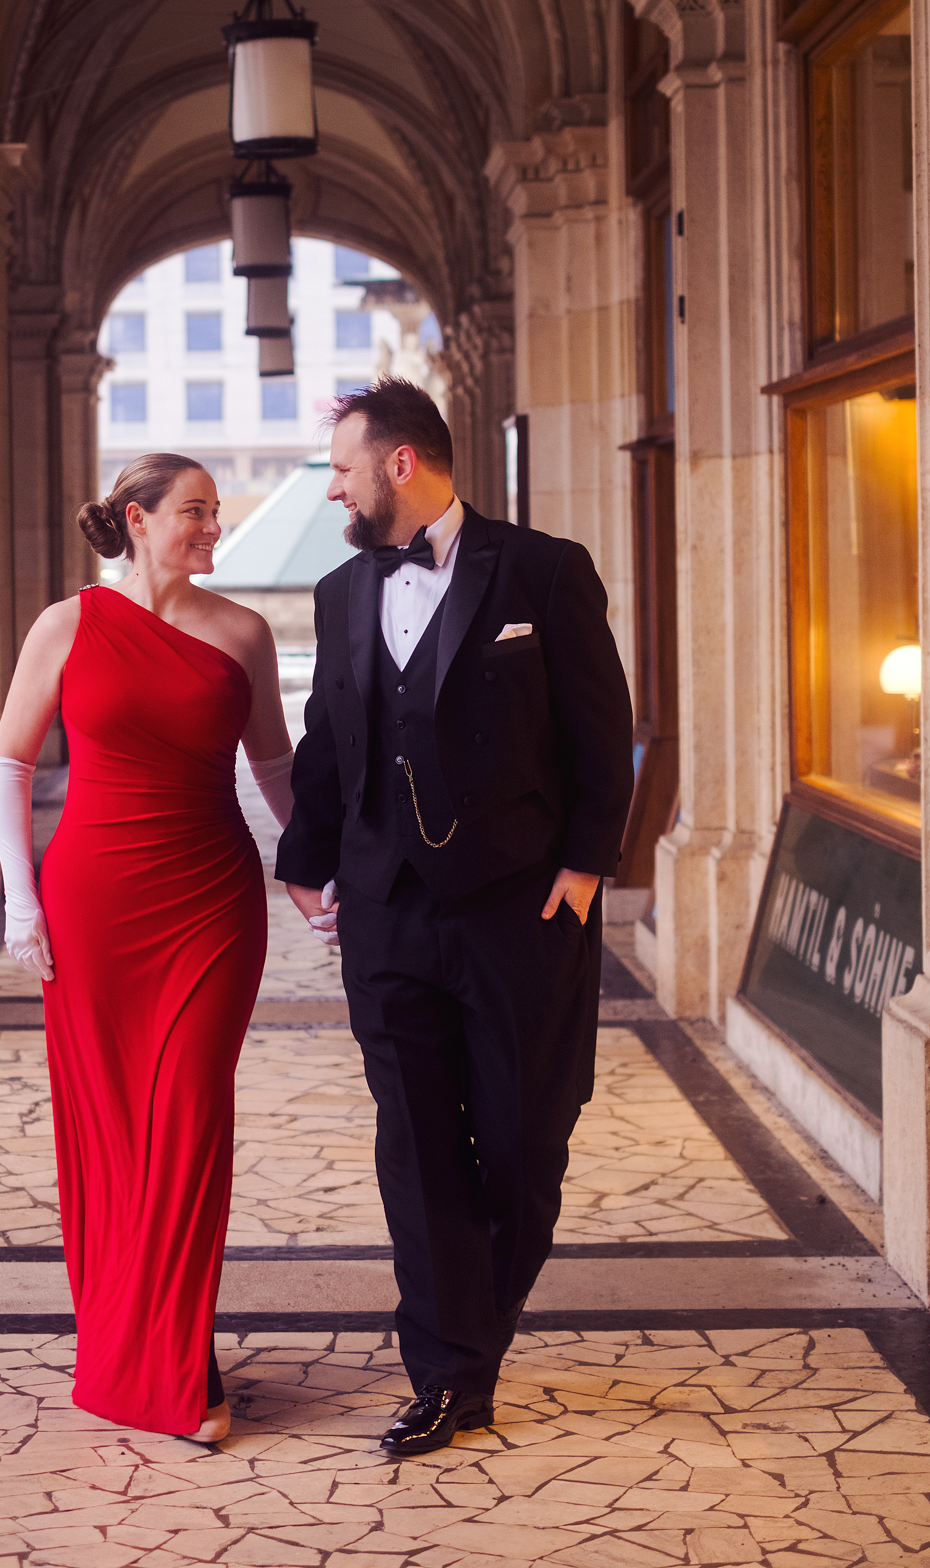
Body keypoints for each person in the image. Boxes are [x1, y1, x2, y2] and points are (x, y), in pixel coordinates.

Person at [276, 378, 633, 1456]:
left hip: (518, 906)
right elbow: (328, 736)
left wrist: (585, 868)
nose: (332, 488)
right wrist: (305, 862)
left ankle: (468, 1333)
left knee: (524, 1137)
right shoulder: (340, 591)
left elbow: (600, 728)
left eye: (342, 468)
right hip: (386, 913)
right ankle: (449, 1372)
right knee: (418, 1143)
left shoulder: (543, 569)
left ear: (400, 463)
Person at [0, 453, 319, 1441]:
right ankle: (136, 1343)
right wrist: (19, 897)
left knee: (187, 1118)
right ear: (137, 520)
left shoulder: (244, 632)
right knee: (109, 1127)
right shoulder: (66, 624)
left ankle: (179, 1351)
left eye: (215, 511)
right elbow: (10, 763)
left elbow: (275, 765)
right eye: (194, 511)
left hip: (211, 902)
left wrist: (313, 868)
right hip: (91, 903)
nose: (214, 527)